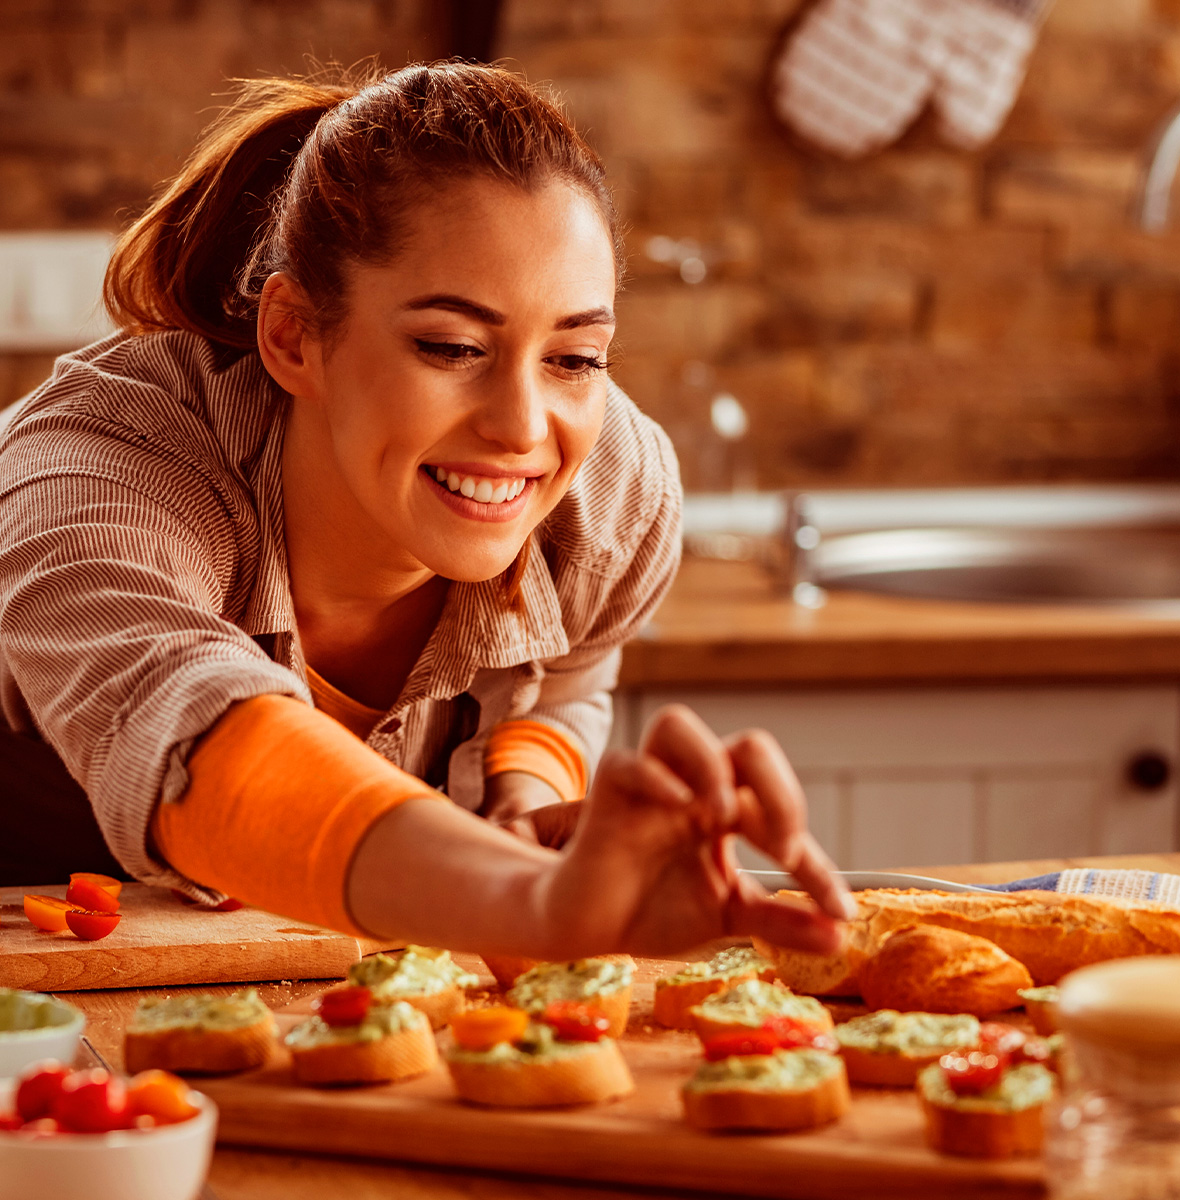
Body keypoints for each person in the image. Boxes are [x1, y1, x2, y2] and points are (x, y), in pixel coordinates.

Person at [0, 62, 853, 957]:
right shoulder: (99, 470)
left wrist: (523, 808)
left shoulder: (611, 492)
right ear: (292, 336)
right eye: (451, 347)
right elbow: (191, 739)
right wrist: (528, 903)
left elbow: (567, 678)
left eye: (575, 357)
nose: (523, 427)